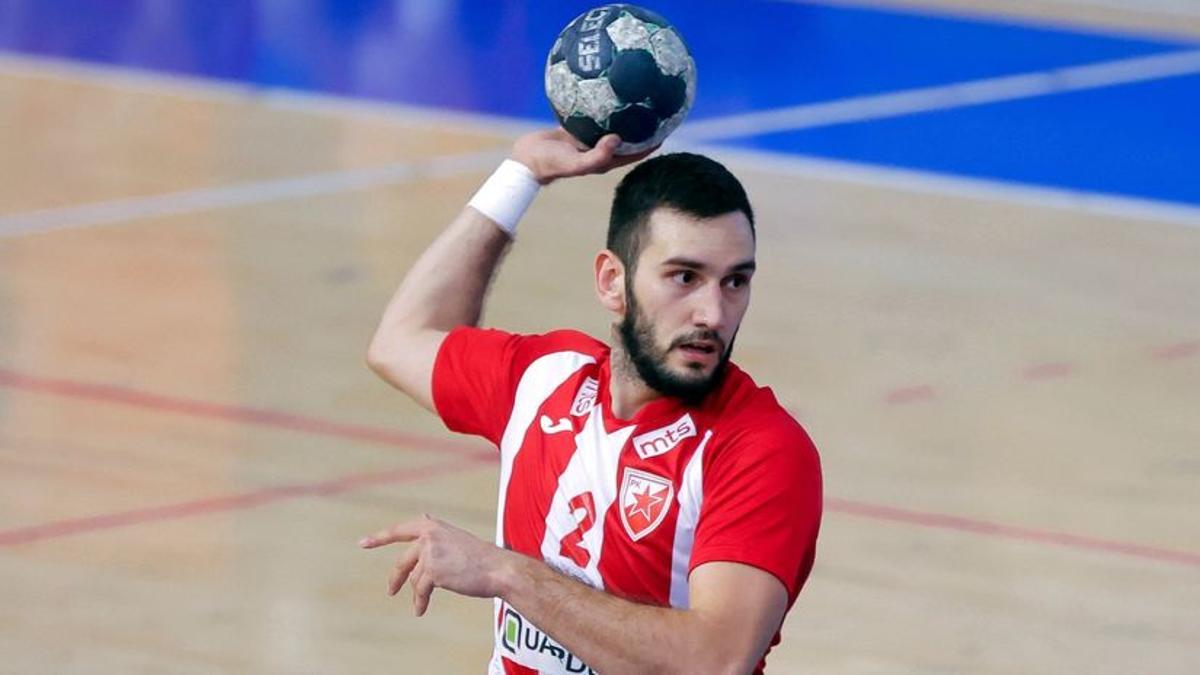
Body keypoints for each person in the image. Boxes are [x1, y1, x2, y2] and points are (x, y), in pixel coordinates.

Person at [360, 128, 822, 675]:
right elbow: (401, 340)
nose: (713, 315)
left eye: (734, 282)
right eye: (685, 277)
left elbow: (713, 661)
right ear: (611, 282)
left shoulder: (759, 450)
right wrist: (521, 175)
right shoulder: (545, 381)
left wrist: (507, 574)